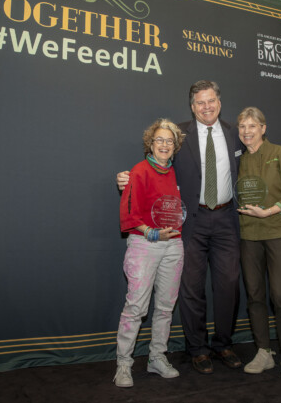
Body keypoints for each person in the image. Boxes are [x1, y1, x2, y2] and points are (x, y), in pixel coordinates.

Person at [117, 80, 245, 374]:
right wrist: (127, 178)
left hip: (226, 219)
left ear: (219, 102)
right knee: (190, 288)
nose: (206, 107)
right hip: (191, 222)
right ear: (192, 106)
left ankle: (224, 344)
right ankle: (197, 348)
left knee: (228, 285)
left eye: (211, 100)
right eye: (200, 103)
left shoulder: (233, 134)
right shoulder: (179, 135)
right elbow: (156, 163)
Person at [114, 119, 186, 387]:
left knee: (166, 308)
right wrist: (151, 232)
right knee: (136, 308)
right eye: (160, 140)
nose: (165, 145)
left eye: (170, 141)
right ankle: (123, 364)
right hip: (144, 244)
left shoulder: (180, 173)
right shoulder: (139, 171)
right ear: (150, 143)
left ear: (175, 146)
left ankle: (157, 357)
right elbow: (129, 214)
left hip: (174, 245)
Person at [235, 107, 281, 379]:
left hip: (278, 232)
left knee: (280, 294)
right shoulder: (238, 160)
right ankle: (264, 352)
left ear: (263, 128)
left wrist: (269, 211)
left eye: (252, 126)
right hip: (249, 234)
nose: (247, 131)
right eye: (242, 127)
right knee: (254, 295)